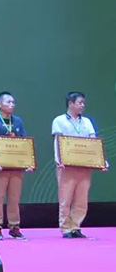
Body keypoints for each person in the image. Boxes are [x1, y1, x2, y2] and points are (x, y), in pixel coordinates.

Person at [52, 91, 107, 239]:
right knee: (65, 198)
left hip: (84, 166)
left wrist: (102, 161)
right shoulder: (59, 120)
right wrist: (59, 160)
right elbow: (57, 142)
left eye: (83, 103)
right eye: (80, 102)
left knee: (81, 199)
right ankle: (65, 228)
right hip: (66, 166)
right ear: (70, 103)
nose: (82, 105)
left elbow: (94, 143)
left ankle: (76, 226)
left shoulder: (87, 122)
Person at [0, 91, 29, 240]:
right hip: (0, 167)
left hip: (16, 166)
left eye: (13, 102)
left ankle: (14, 227)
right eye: (8, 102)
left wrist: (27, 163)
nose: (11, 105)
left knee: (14, 199)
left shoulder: (18, 121)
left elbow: (24, 143)